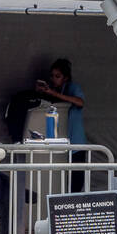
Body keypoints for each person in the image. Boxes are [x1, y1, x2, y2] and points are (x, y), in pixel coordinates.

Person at [36, 58, 87, 190]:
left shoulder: (73, 88)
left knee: (75, 182)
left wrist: (54, 93)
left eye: (57, 76)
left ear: (66, 78)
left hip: (76, 144)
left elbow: (80, 102)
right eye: (52, 76)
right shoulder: (57, 90)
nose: (54, 79)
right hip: (63, 144)